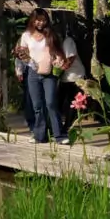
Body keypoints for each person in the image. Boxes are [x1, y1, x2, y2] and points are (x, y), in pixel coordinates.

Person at [16, 9, 69, 144]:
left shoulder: (50, 34)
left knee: (51, 103)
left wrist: (58, 60)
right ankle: (40, 135)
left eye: (43, 20)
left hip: (49, 73)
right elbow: (21, 54)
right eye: (38, 20)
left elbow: (58, 52)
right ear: (33, 20)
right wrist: (21, 68)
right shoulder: (26, 36)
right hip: (33, 73)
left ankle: (59, 135)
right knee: (37, 105)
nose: (40, 23)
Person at [57, 24, 87, 132]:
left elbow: (71, 58)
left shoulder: (67, 41)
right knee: (61, 101)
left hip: (75, 76)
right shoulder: (55, 44)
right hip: (65, 77)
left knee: (73, 102)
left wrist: (60, 69)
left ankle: (69, 125)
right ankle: (61, 125)